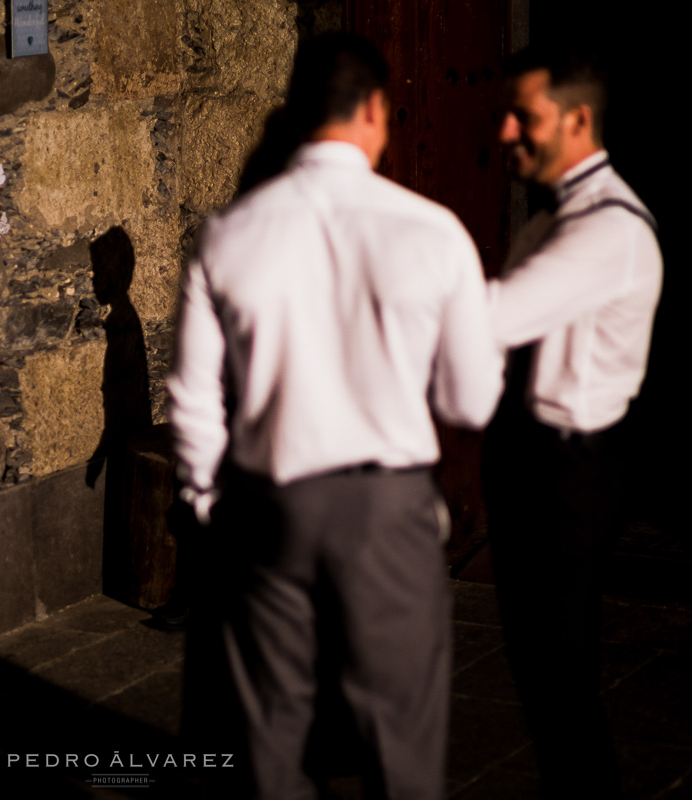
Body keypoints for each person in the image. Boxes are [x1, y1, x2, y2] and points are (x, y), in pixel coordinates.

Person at [167, 33, 503, 800]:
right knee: (401, 739)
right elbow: (470, 400)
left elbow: (193, 395)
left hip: (270, 505)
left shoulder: (228, 235)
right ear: (376, 111)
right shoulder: (434, 231)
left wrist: (208, 501)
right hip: (388, 510)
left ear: (294, 116)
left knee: (270, 741)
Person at [483, 44, 662, 798]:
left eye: (524, 117)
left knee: (561, 685)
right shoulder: (550, 223)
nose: (505, 133)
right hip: (531, 456)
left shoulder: (608, 230)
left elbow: (488, 317)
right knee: (540, 678)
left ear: (579, 119)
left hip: (571, 473)